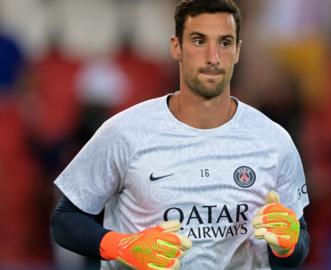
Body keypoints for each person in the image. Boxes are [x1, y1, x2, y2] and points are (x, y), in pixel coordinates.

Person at [50, 0, 310, 269]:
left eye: (225, 42)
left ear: (238, 50)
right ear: (176, 46)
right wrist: (122, 246)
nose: (213, 56)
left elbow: (297, 244)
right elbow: (65, 220)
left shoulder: (273, 140)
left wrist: (287, 246)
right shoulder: (125, 132)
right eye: (199, 41)